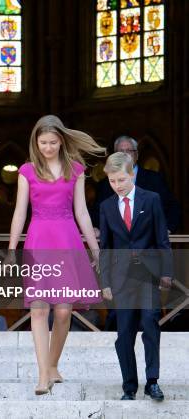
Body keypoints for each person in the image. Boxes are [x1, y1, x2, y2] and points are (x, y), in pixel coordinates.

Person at [6, 115, 104, 395]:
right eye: (42, 142)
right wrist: (12, 250)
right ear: (35, 143)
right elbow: (20, 212)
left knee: (63, 311)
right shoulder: (26, 171)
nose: (47, 147)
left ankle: (53, 364)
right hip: (38, 241)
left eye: (52, 142)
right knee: (39, 309)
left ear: (61, 141)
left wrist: (95, 250)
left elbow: (82, 212)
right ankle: (42, 375)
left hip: (67, 241)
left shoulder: (76, 169)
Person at [99, 152, 173, 402]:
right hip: (121, 280)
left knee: (151, 323)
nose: (117, 186)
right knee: (125, 333)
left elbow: (162, 239)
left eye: (121, 180)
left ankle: (152, 381)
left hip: (147, 274)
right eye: (112, 181)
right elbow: (106, 248)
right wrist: (105, 282)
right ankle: (129, 386)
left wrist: (166, 272)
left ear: (132, 174)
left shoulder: (151, 199)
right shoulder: (107, 207)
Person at [92, 135, 181, 234]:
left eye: (129, 151)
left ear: (137, 155)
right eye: (120, 152)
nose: (125, 155)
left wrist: (167, 229)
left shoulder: (154, 179)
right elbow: (97, 214)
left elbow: (173, 207)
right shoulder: (105, 184)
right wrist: (99, 228)